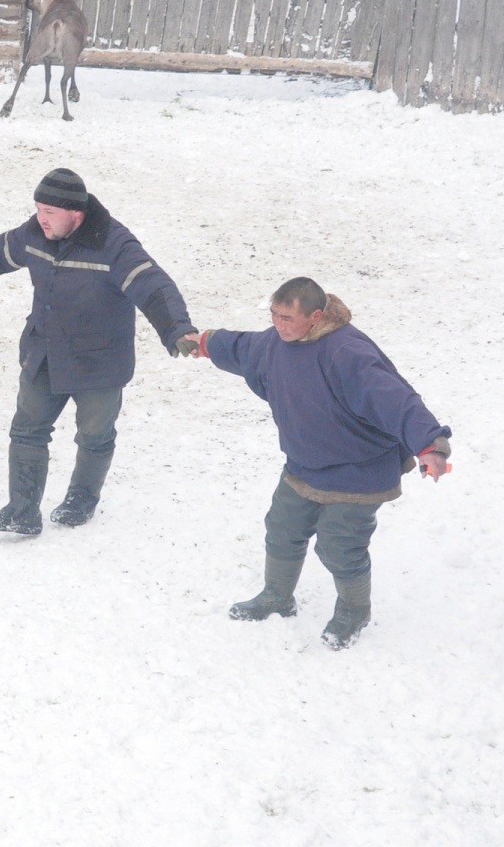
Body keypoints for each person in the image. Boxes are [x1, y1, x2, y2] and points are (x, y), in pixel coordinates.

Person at [187, 277, 451, 650]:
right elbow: (243, 346)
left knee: (339, 547)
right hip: (305, 464)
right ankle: (277, 596)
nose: (278, 325)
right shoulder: (276, 342)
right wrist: (206, 343)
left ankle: (354, 610)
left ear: (315, 316)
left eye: (287, 318)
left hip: (358, 472)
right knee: (281, 530)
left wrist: (430, 445)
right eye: (274, 315)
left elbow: (396, 399)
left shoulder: (347, 353)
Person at [0, 167, 193, 535]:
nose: (41, 218)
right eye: (38, 209)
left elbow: (151, 284)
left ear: (76, 214)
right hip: (46, 351)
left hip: (99, 362)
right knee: (26, 430)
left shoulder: (113, 244)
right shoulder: (36, 234)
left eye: (49, 212)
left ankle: (82, 498)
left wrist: (177, 328)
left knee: (93, 435)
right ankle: (22, 510)